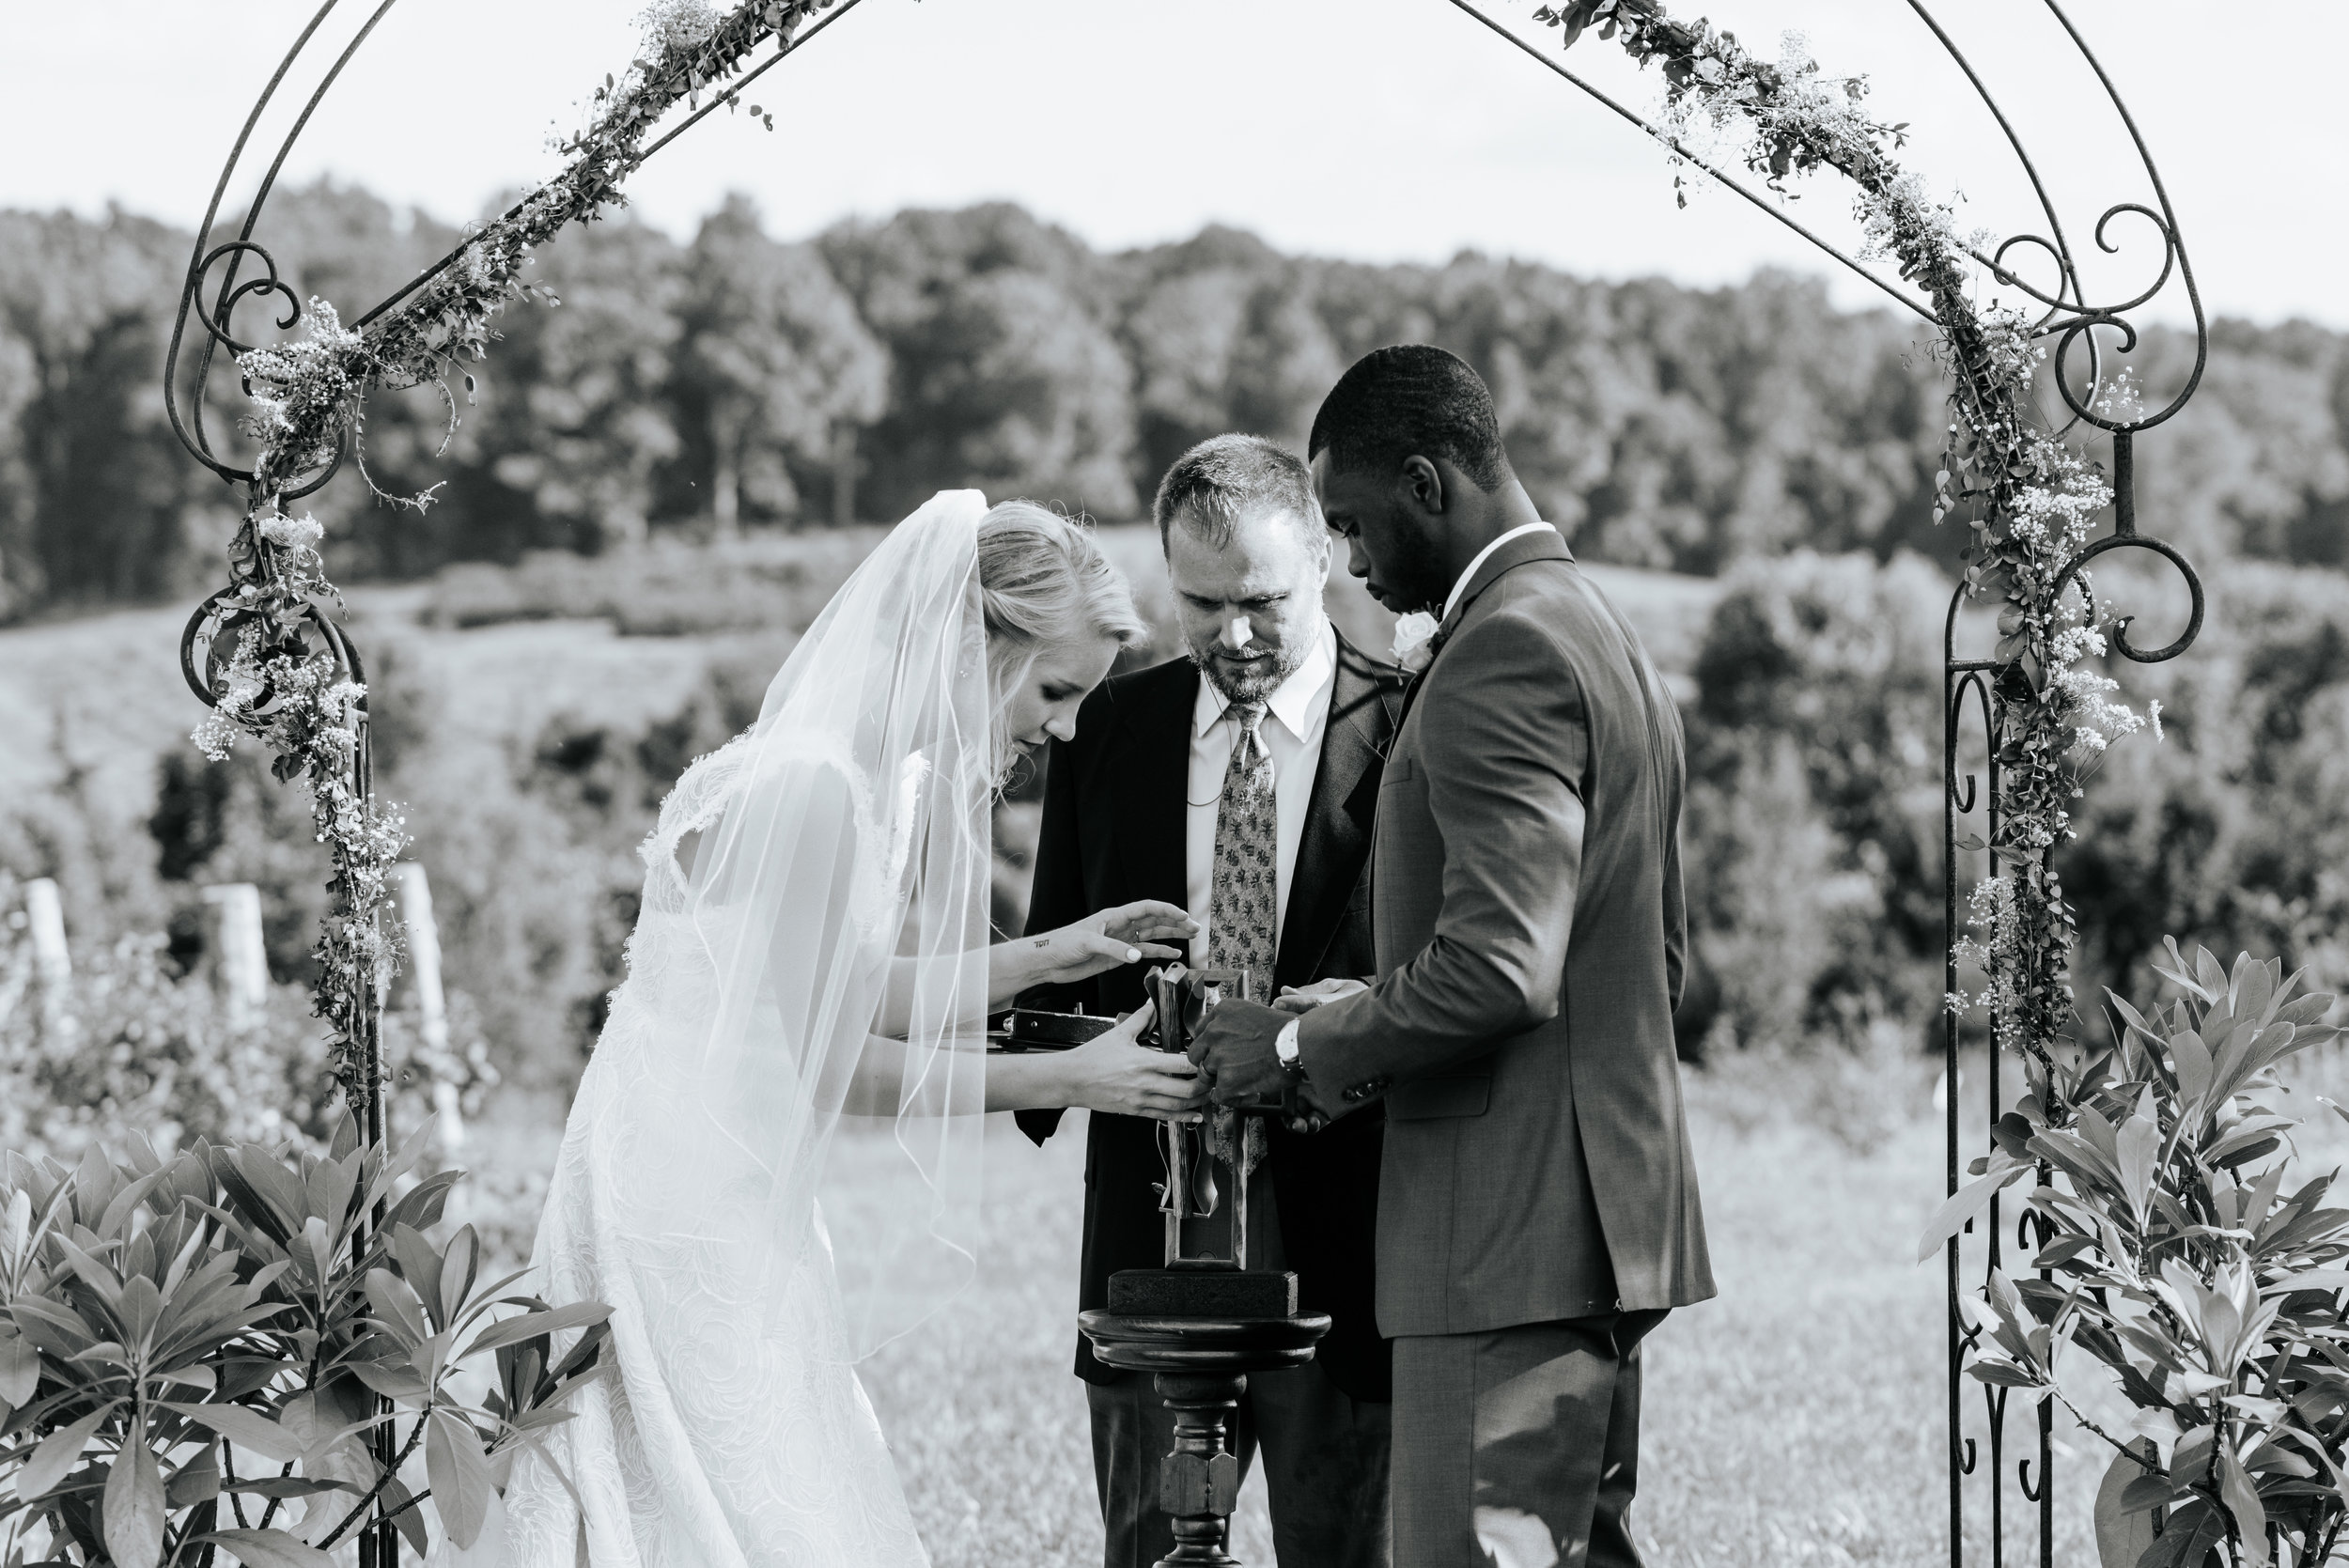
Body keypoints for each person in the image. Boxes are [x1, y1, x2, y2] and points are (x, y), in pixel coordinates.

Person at [495, 493, 1210, 1568]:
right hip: (688, 1193)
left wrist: (1059, 950)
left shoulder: (869, 775)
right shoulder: (817, 787)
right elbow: (832, 1067)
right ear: (976, 639)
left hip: (736, 1176)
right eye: (1055, 689)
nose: (1061, 727)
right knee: (743, 1488)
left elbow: (854, 991)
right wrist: (1079, 1075)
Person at [1189, 348, 1715, 1568]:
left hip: (1504, 1233)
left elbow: (1501, 968)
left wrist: (1294, 1039)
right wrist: (1372, 996)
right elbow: (1636, 953)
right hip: (1584, 1213)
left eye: (1355, 526)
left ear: (1426, 483)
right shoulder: (1596, 629)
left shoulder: (1502, 652)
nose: (1354, 567)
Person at [1018, 435, 1406, 1568]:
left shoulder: (1410, 728)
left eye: (1260, 602)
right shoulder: (1107, 732)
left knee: (1347, 1548)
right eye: (1200, 603)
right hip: (1147, 1224)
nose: (1231, 635)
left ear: (1325, 558)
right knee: (1146, 1545)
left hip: (1347, 1223)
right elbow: (1056, 955)